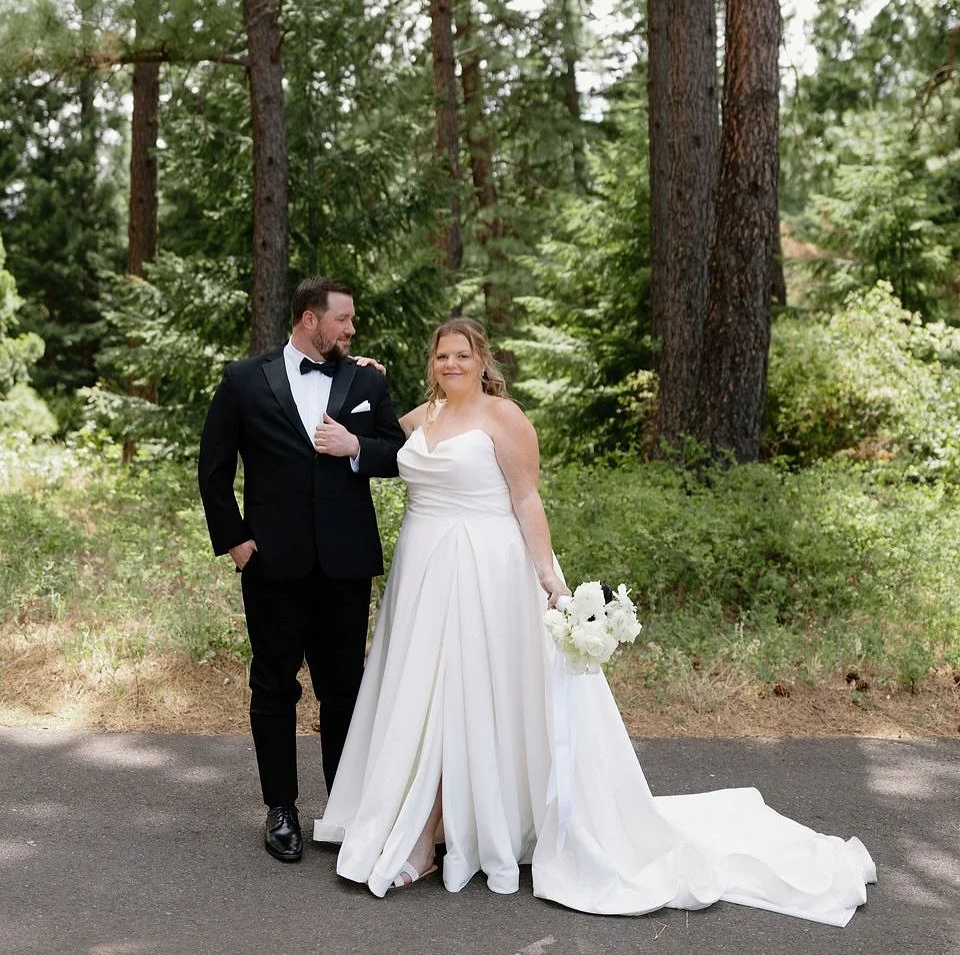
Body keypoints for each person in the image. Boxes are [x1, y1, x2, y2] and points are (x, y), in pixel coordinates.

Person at [314, 317, 876, 926]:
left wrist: (549, 579)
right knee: (422, 695)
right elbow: (373, 446)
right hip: (423, 576)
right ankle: (436, 822)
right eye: (442, 356)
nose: (451, 365)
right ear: (432, 363)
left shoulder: (505, 418)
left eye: (462, 355)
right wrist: (360, 373)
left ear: (482, 360)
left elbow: (526, 499)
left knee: (474, 693)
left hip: (490, 576)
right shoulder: (418, 422)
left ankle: (438, 834)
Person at [198, 277, 405, 864]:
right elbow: (213, 468)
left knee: (344, 689)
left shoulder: (367, 379)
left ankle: (343, 811)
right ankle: (281, 808)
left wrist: (356, 448)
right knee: (274, 686)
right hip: (272, 564)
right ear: (311, 319)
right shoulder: (244, 380)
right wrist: (235, 540)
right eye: (344, 319)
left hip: (344, 564)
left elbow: (399, 451)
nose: (351, 329)